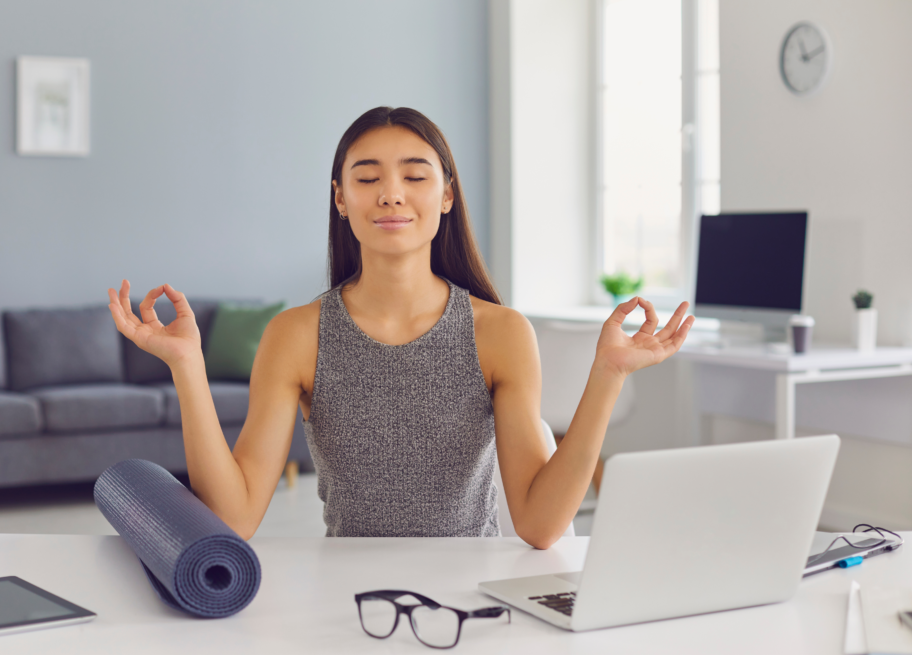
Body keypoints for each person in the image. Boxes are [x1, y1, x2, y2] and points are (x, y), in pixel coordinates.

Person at [107, 106, 693, 550]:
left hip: (472, 592)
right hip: (349, 596)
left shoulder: (501, 333)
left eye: (415, 176)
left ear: (445, 196)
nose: (391, 193)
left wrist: (609, 373)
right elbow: (234, 519)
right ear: (340, 198)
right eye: (367, 178)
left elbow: (540, 527)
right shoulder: (297, 334)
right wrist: (188, 366)